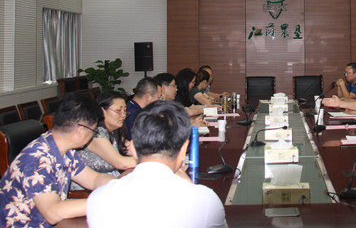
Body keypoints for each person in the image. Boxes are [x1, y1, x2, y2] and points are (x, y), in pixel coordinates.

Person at [87, 101, 227, 228]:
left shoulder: (98, 199)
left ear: (133, 149)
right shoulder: (205, 201)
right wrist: (190, 184)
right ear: (183, 150)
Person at [0, 93, 115, 227]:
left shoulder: (64, 149)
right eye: (93, 131)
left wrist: (122, 186)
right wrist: (105, 201)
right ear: (80, 131)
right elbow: (53, 213)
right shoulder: (37, 159)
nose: (92, 136)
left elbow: (93, 179)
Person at [71, 91, 136, 190]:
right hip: (88, 190)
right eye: (118, 111)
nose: (123, 115)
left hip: (110, 182)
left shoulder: (115, 131)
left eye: (125, 110)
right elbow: (121, 163)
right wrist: (151, 160)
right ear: (102, 111)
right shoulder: (95, 134)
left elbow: (133, 150)